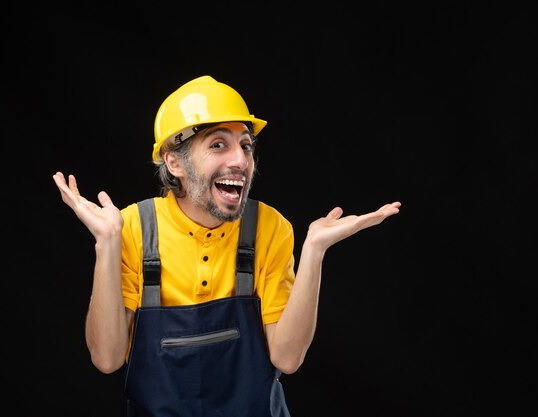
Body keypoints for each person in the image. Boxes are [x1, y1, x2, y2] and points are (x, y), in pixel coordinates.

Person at [52, 75, 401, 417]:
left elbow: (287, 359)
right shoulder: (135, 229)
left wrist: (314, 251)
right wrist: (107, 244)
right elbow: (107, 358)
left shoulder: (269, 228)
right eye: (218, 144)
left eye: (246, 145)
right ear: (175, 163)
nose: (241, 160)